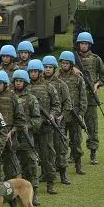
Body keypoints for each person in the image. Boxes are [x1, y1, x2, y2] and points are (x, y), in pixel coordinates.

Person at [0, 70, 27, 207]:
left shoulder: (13, 97)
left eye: (0, 83)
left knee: (11, 174)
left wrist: (11, 132)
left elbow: (21, 119)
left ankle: (13, 206)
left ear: (5, 84)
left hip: (10, 139)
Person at [27, 59, 61, 195]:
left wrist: (52, 115)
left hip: (46, 127)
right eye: (31, 72)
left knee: (48, 155)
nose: (33, 74)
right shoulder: (25, 87)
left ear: (40, 72)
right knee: (30, 157)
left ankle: (50, 183)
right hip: (30, 128)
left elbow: (56, 104)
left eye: (35, 71)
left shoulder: (49, 87)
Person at [74, 32, 104, 165]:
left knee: (92, 127)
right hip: (76, 99)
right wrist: (74, 70)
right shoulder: (73, 59)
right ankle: (75, 153)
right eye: (81, 43)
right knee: (75, 129)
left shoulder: (96, 59)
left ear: (89, 45)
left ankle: (93, 153)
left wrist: (97, 84)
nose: (83, 46)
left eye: (86, 43)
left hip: (91, 99)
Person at [12, 70, 41, 206]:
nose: (18, 83)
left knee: (30, 165)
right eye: (16, 81)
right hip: (12, 137)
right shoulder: (9, 97)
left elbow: (37, 119)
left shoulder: (31, 99)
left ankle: (34, 193)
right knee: (12, 166)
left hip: (25, 137)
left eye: (20, 81)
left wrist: (28, 126)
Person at [42, 56, 73, 185]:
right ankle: (46, 173)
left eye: (50, 67)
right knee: (46, 149)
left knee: (60, 148)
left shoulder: (61, 84)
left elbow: (68, 104)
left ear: (54, 69)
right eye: (45, 67)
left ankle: (63, 174)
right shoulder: (39, 84)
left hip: (58, 121)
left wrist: (61, 116)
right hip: (44, 122)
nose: (47, 70)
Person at [57, 51, 88, 175]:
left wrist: (81, 112)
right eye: (63, 63)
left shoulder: (78, 78)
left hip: (75, 114)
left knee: (76, 142)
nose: (64, 65)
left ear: (71, 64)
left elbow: (83, 97)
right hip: (61, 115)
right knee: (62, 143)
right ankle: (61, 168)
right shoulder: (57, 78)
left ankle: (78, 164)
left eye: (67, 63)